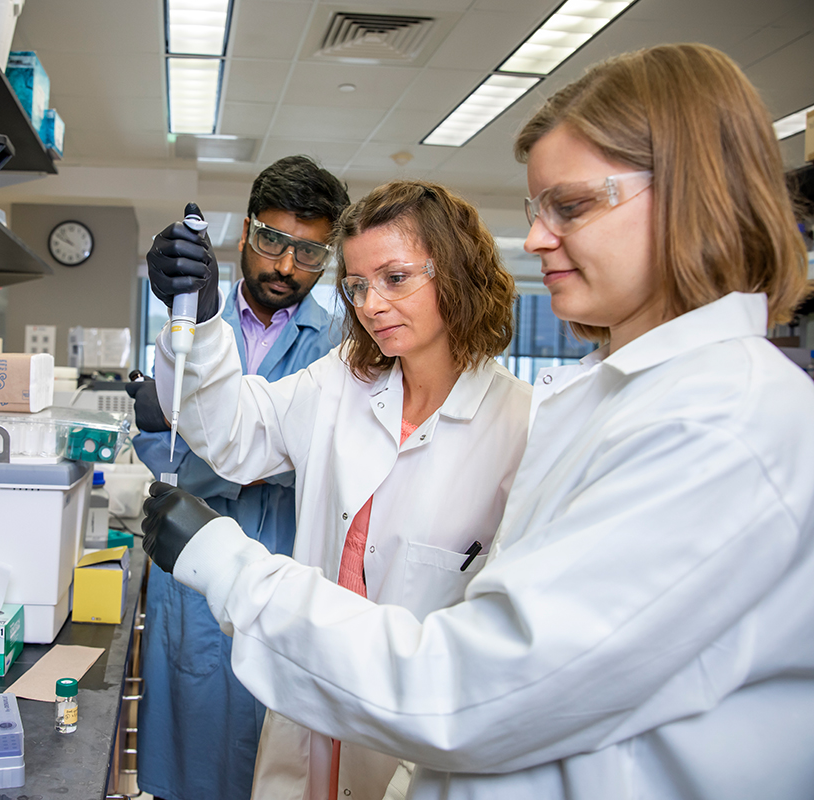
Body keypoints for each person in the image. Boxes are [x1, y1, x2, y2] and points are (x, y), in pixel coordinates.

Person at [140, 42, 814, 800]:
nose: (535, 238)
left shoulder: (711, 424)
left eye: (573, 205)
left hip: (403, 729)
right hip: (329, 726)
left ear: (692, 196)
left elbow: (473, 689)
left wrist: (224, 562)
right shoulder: (372, 382)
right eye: (357, 285)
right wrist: (190, 327)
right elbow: (235, 432)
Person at [145, 177, 531, 799]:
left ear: (456, 273)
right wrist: (206, 318)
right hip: (308, 707)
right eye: (356, 286)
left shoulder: (521, 428)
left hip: (412, 745)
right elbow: (232, 435)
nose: (371, 304)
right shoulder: (342, 381)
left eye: (396, 278)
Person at [128, 155, 349, 800]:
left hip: (283, 559)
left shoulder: (340, 344)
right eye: (274, 241)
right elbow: (161, 450)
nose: (285, 266)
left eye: (309, 254)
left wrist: (217, 455)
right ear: (246, 231)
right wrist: (212, 452)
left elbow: (313, 464)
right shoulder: (192, 321)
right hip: (190, 562)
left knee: (272, 752)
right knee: (192, 746)